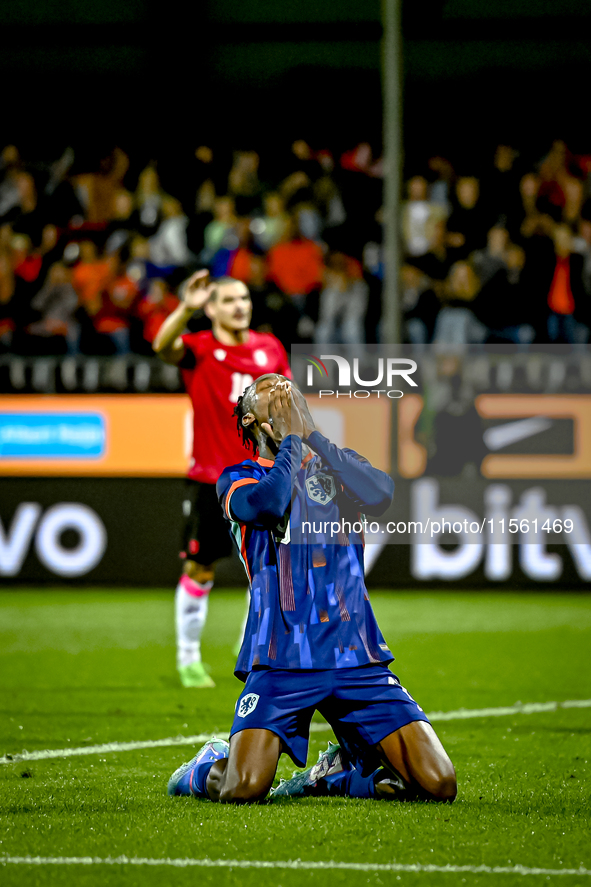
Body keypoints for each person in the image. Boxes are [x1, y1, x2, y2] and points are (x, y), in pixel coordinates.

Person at [167, 376, 457, 804]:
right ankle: (205, 766)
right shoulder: (237, 479)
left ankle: (338, 776)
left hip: (356, 654)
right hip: (282, 658)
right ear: (250, 418)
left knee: (437, 784)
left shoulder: (334, 464)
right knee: (243, 788)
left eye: (289, 386)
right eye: (269, 388)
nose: (284, 390)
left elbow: (380, 494)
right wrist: (289, 445)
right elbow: (268, 505)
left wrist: (313, 438)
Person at [153, 272, 291, 688]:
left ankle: (253, 645)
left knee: (272, 567)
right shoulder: (199, 349)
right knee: (200, 568)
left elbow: (286, 405)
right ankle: (189, 658)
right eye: (229, 300)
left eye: (244, 298)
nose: (240, 306)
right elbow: (162, 347)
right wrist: (185, 308)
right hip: (212, 479)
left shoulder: (270, 349)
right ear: (211, 308)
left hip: (261, 478)